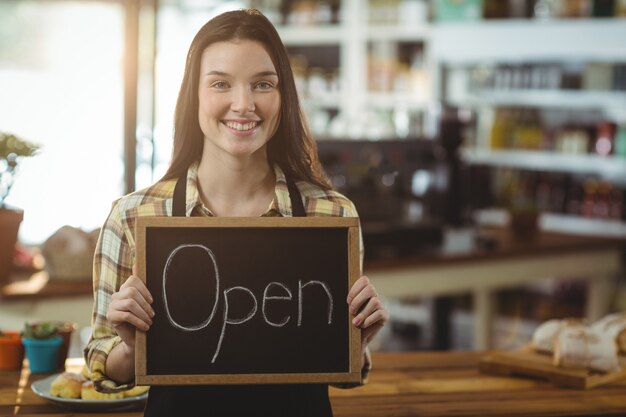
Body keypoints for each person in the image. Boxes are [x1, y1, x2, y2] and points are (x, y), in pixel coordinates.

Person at [84, 8, 388, 417]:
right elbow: (107, 371)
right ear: (194, 95)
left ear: (284, 96)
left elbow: (340, 374)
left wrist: (356, 341)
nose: (243, 104)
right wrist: (132, 347)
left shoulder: (331, 215)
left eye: (263, 84)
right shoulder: (132, 217)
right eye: (221, 84)